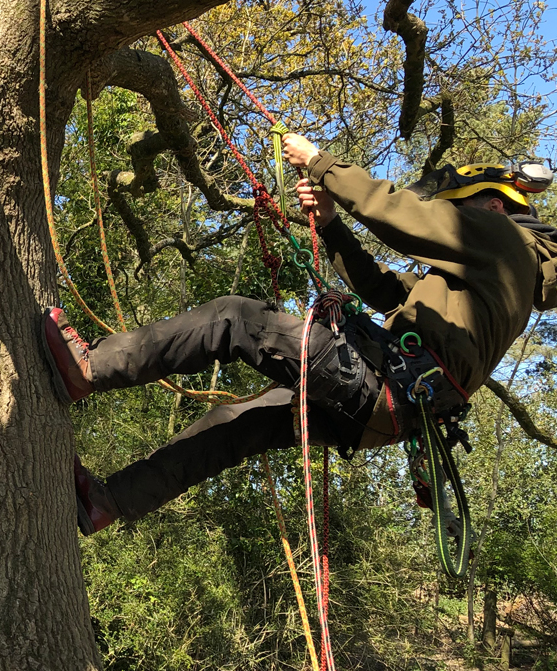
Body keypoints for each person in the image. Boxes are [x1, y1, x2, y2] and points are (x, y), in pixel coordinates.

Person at [43, 134, 557, 534]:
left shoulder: (505, 238)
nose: (453, 218)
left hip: (382, 386)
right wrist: (331, 223)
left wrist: (322, 163)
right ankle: (107, 501)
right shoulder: (487, 286)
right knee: (242, 423)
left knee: (235, 320)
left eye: (458, 208)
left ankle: (89, 369)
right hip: (385, 414)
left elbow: (403, 216)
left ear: (492, 205)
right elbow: (382, 288)